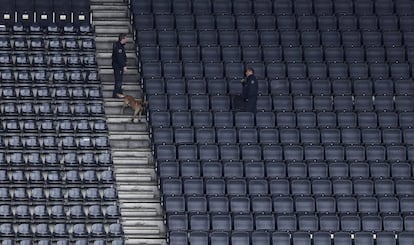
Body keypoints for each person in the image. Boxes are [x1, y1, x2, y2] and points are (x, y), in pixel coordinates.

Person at [112, 33, 127, 98]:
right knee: (118, 80)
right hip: (118, 66)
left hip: (118, 66)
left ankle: (119, 92)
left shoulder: (120, 46)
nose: (126, 40)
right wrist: (124, 65)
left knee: (119, 80)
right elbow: (120, 58)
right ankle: (117, 93)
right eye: (125, 38)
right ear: (122, 39)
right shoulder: (118, 47)